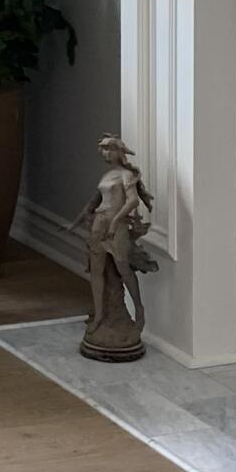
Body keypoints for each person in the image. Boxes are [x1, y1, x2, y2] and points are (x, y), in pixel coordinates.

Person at [78, 134, 159, 362]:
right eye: (102, 150)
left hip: (116, 223)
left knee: (123, 268)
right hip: (100, 222)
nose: (105, 153)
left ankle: (139, 309)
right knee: (97, 271)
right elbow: (96, 201)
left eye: (108, 149)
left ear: (119, 151)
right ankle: (99, 315)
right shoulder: (106, 175)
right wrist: (86, 217)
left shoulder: (127, 175)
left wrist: (116, 221)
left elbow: (132, 200)